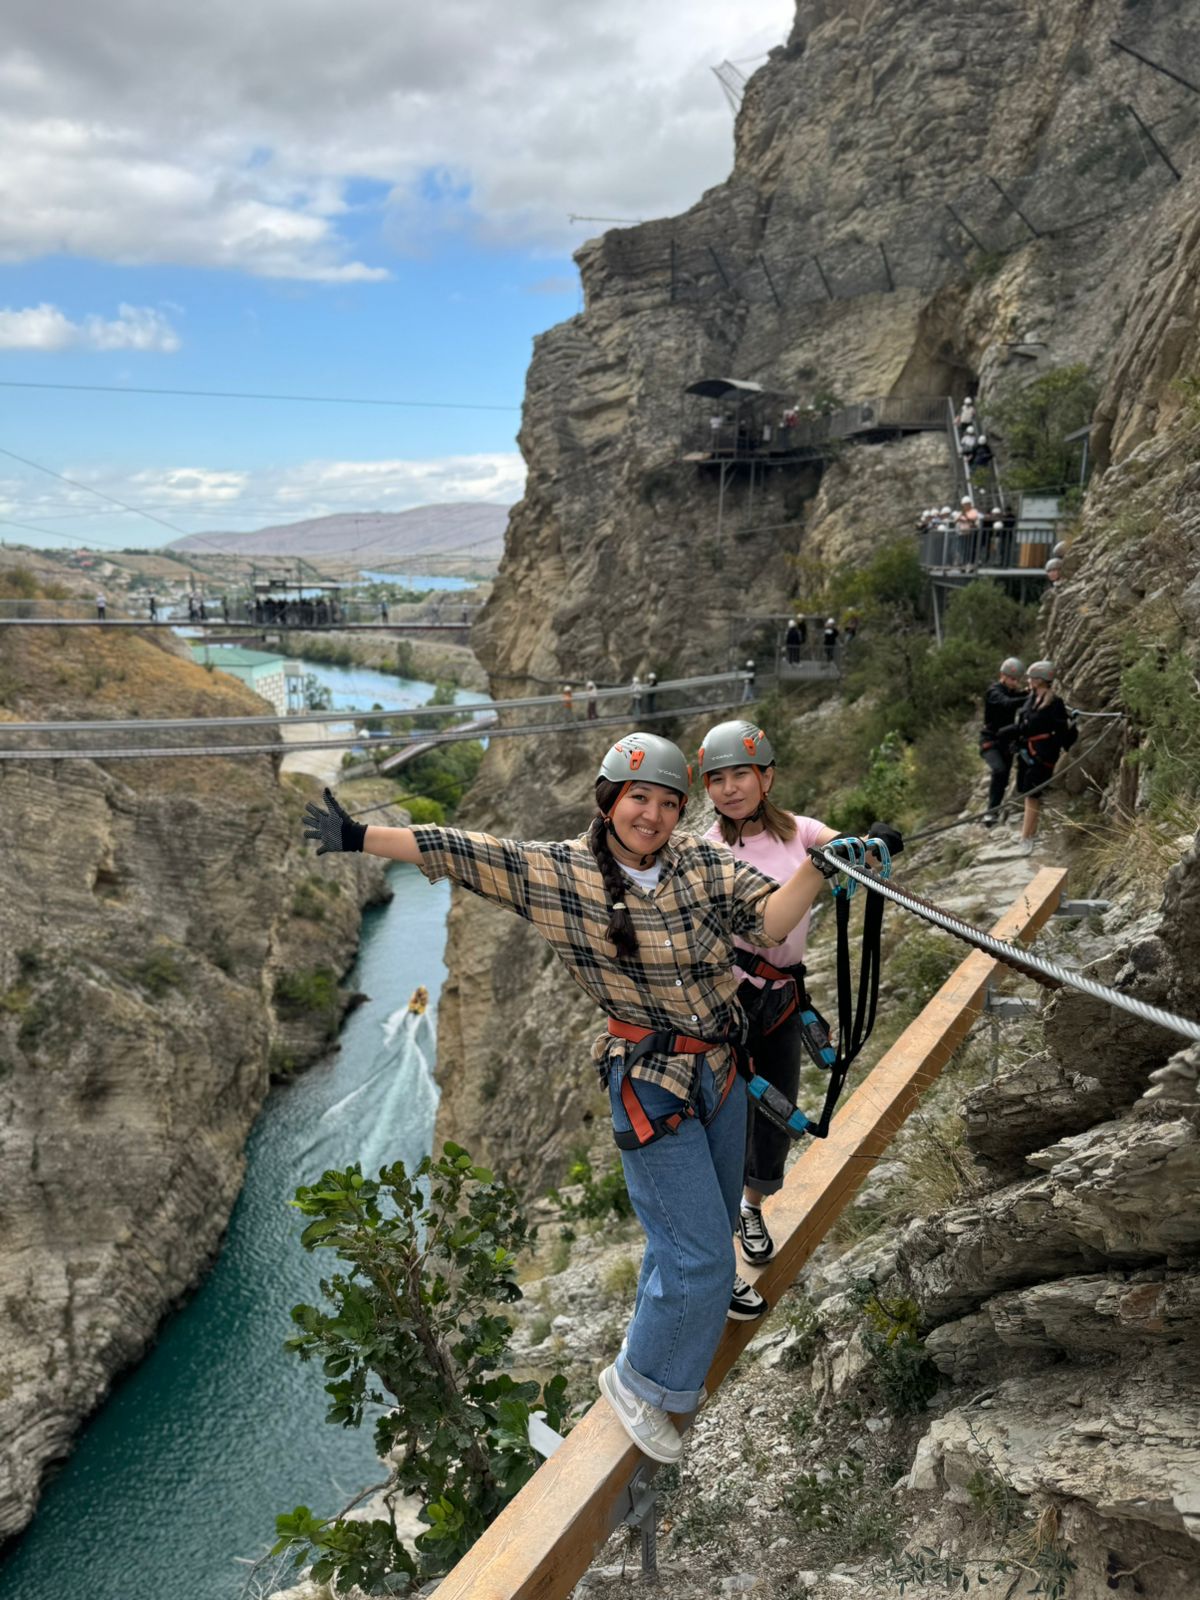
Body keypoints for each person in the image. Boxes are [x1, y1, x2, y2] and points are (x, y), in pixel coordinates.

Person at [301, 733, 831, 1466]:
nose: (650, 814)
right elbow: (459, 849)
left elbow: (771, 922)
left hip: (721, 1071)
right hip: (653, 1083)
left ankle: (665, 1354)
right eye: (637, 797)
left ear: (683, 812)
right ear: (609, 799)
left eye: (667, 803)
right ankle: (648, 1386)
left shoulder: (706, 863)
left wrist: (823, 868)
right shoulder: (560, 873)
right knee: (703, 1254)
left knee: (689, 1240)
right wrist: (359, 836)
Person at [699, 720, 842, 1267]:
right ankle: (718, 1218)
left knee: (779, 1103)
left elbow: (843, 849)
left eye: (741, 774)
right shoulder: (705, 851)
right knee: (728, 1110)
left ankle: (751, 1207)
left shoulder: (798, 833)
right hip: (727, 1003)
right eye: (718, 779)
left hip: (781, 997)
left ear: (767, 777)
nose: (730, 788)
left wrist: (868, 847)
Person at [1006, 661, 1077, 856]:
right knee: (1027, 791)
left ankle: (1026, 837)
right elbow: (1024, 724)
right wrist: (1014, 738)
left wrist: (1072, 730)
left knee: (1032, 794)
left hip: (1043, 754)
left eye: (1031, 678)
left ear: (1039, 680)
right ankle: (1030, 832)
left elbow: (1061, 731)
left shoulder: (1054, 703)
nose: (1028, 681)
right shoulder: (1031, 699)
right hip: (1027, 751)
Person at [978, 657, 1027, 826]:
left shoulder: (1012, 692)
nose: (1015, 682)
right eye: (1012, 679)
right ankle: (990, 813)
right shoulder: (994, 692)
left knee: (1004, 777)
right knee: (998, 771)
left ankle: (995, 812)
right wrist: (1029, 697)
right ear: (1003, 676)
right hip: (990, 740)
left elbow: (1017, 699)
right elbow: (1007, 704)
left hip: (1006, 741)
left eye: (1017, 680)